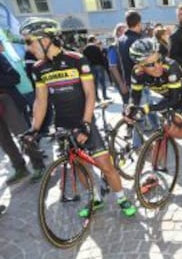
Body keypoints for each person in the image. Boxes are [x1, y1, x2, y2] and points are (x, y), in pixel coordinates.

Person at [20, 17, 137, 217]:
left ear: (45, 40)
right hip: (63, 124)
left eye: (29, 41)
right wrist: (34, 130)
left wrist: (85, 124)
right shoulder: (39, 68)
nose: (28, 48)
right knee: (79, 166)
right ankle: (96, 198)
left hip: (84, 121)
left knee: (105, 165)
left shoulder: (76, 59)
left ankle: (121, 198)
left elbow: (91, 94)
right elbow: (41, 101)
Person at [125, 38, 182, 165]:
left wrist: (147, 108)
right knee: (163, 130)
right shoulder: (137, 73)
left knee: (174, 123)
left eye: (158, 60)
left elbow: (174, 100)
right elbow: (135, 96)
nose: (158, 66)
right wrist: (131, 107)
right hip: (171, 97)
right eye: (150, 64)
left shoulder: (171, 66)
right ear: (139, 65)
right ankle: (155, 169)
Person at [0, 43, 45, 184]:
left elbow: (15, 77)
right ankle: (20, 168)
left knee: (23, 134)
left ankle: (38, 165)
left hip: (6, 99)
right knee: (4, 140)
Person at [108, 22, 129, 105]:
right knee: (127, 103)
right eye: (125, 31)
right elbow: (113, 67)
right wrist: (121, 84)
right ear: (118, 33)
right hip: (123, 81)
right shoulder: (113, 47)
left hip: (132, 80)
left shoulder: (128, 44)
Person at [83, 35, 109, 101]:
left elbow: (84, 59)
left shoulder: (85, 49)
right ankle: (104, 96)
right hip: (99, 66)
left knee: (95, 83)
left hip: (91, 67)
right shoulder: (96, 47)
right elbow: (101, 57)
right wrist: (104, 66)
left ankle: (97, 97)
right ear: (93, 40)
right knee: (102, 82)